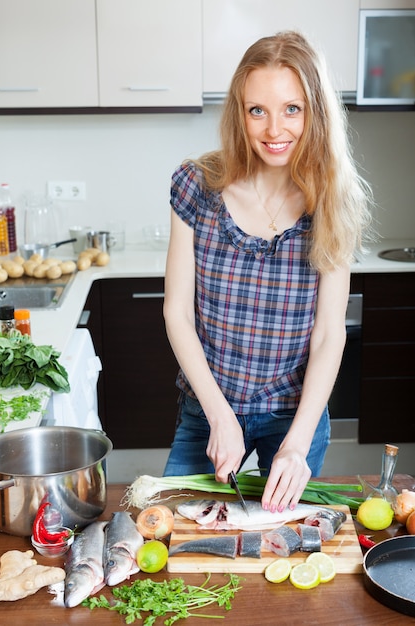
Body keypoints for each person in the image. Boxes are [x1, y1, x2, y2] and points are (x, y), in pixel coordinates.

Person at [162, 31, 373, 513]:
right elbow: (177, 313)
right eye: (257, 110)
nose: (274, 129)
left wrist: (297, 446)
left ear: (315, 111)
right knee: (177, 531)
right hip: (209, 406)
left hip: (293, 414)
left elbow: (327, 336)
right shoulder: (197, 185)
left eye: (292, 109)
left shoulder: (334, 201)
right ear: (240, 112)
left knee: (280, 545)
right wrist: (219, 415)